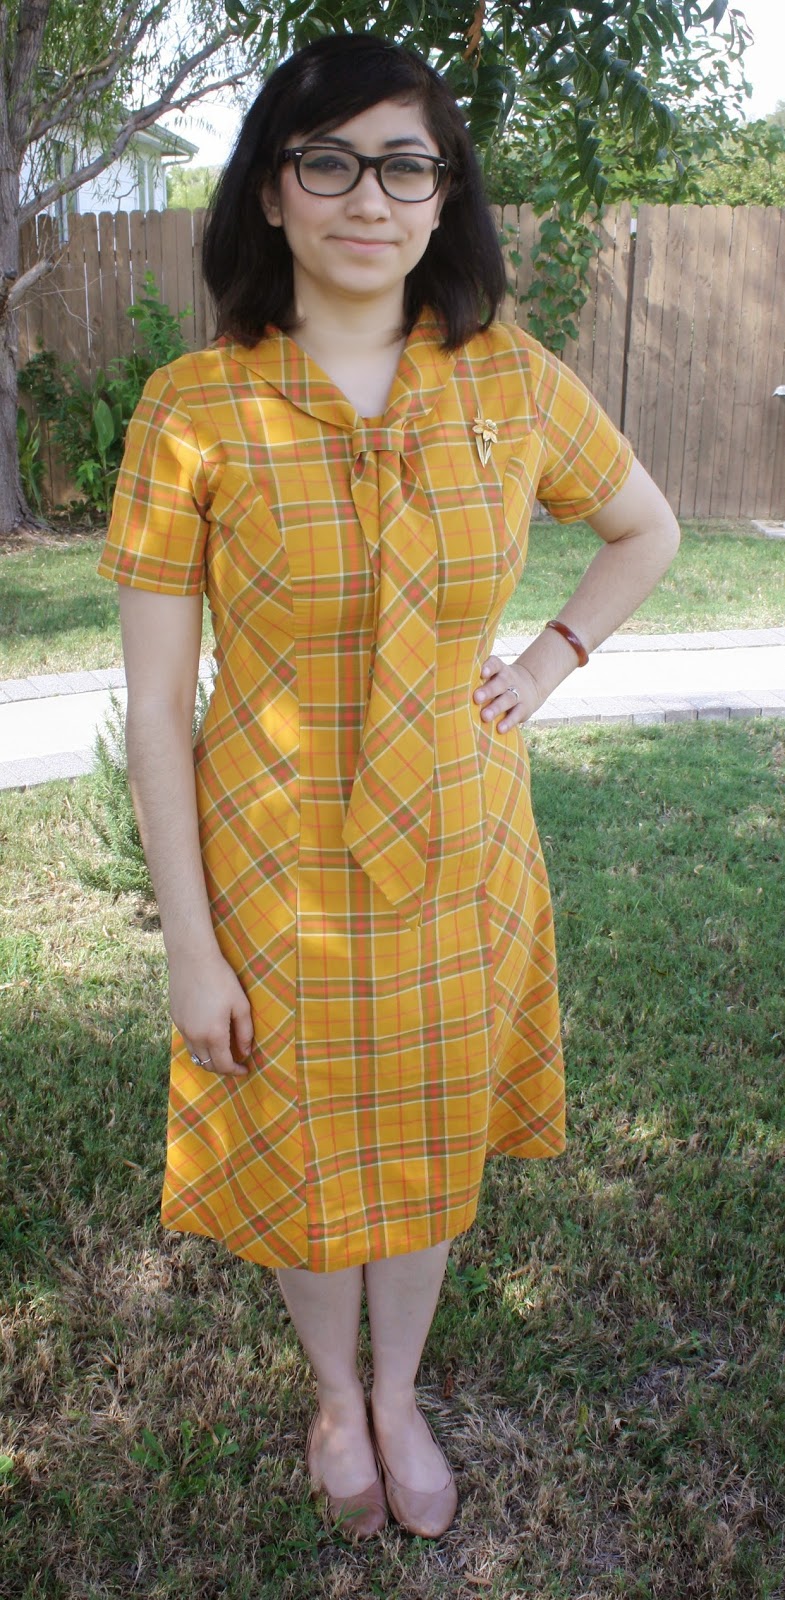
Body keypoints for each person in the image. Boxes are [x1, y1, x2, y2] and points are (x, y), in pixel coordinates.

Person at [98, 32, 680, 1543]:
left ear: (443, 196)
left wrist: (546, 663)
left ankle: (400, 1389)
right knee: (305, 1145)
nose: (371, 196)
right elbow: (156, 704)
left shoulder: (512, 384)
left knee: (422, 1137)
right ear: (270, 191)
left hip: (458, 852)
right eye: (330, 161)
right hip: (269, 861)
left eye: (406, 165)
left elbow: (646, 527)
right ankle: (331, 1395)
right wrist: (189, 944)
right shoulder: (191, 408)